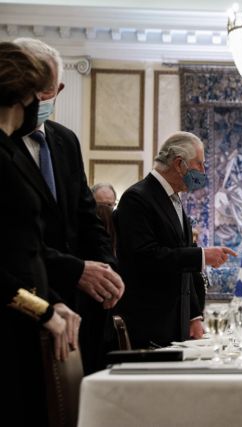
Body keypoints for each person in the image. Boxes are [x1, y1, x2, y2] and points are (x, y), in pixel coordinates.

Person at [13, 37, 124, 375]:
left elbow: (87, 218)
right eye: (32, 89)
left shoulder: (65, 140)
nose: (38, 98)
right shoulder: (5, 143)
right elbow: (16, 241)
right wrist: (75, 271)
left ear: (58, 89)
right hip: (24, 300)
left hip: (79, 307)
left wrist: (106, 271)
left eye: (45, 90)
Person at [0, 41, 81, 426]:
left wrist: (53, 302)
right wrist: (42, 309)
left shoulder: (9, 151)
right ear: (24, 95)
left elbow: (25, 249)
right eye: (40, 95)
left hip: (26, 323)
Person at [115, 131, 237, 348]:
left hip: (176, 326)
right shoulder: (137, 198)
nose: (203, 171)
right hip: (149, 326)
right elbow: (144, 257)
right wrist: (201, 256)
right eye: (199, 164)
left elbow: (184, 269)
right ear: (180, 164)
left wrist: (193, 316)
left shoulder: (174, 200)